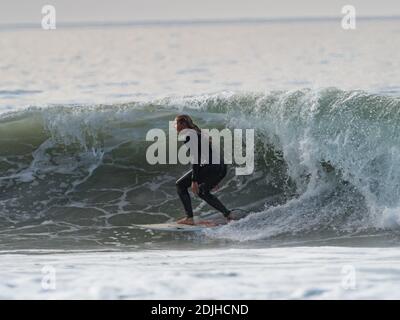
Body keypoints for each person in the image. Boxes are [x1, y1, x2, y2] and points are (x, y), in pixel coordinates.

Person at [174, 114, 233, 225]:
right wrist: (214, 176)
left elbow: (196, 158)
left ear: (182, 124)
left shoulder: (189, 135)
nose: (175, 126)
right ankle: (228, 214)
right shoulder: (197, 133)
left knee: (180, 185)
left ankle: (189, 218)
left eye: (176, 124)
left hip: (211, 166)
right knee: (203, 192)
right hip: (220, 166)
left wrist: (194, 180)